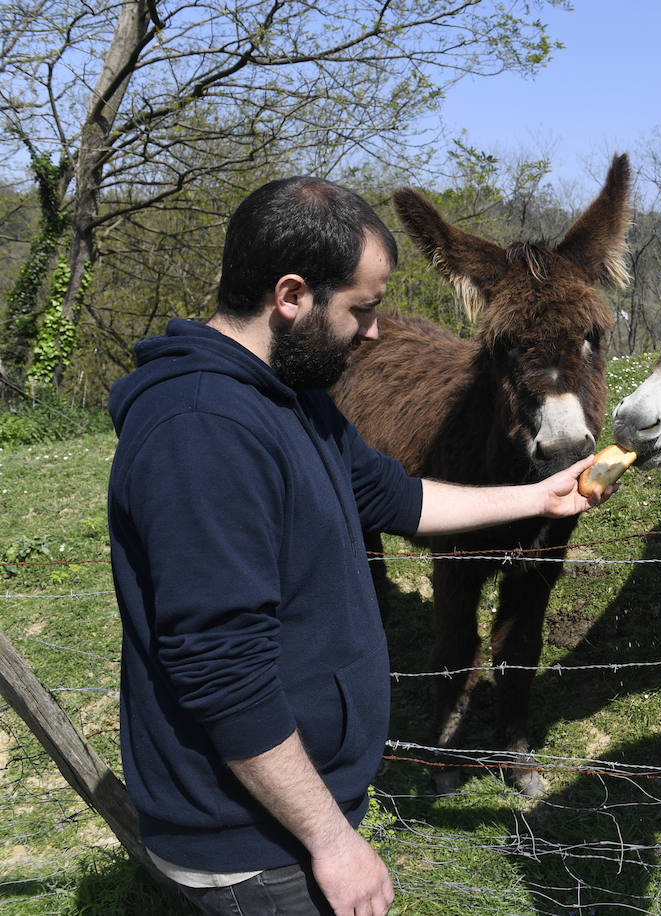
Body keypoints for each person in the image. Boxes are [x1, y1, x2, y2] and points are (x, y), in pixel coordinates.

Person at [106, 176, 610, 916]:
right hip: (253, 843)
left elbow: (393, 495)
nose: (377, 331)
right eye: (362, 311)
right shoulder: (202, 431)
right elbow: (221, 671)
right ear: (290, 297)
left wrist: (539, 497)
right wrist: (332, 843)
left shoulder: (290, 396)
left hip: (295, 811)